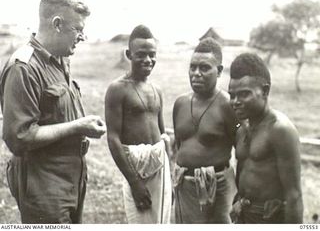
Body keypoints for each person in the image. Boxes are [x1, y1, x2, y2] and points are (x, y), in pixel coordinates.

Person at [0, 0, 106, 223]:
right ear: (57, 24)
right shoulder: (23, 68)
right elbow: (19, 137)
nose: (82, 37)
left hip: (71, 180)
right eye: (78, 29)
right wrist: (78, 126)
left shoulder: (60, 60)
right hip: (44, 187)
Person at [105, 25, 171, 223]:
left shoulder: (156, 90)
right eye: (141, 55)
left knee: (162, 220)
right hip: (136, 168)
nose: (148, 60)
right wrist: (135, 183)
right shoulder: (118, 89)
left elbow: (161, 134)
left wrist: (169, 171)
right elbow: (113, 138)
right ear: (128, 54)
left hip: (160, 163)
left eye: (152, 54)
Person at [228, 53, 303, 223]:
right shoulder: (242, 129)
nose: (235, 101)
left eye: (244, 94)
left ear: (265, 91)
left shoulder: (280, 130)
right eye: (232, 95)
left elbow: (294, 195)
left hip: (271, 218)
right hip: (244, 214)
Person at [172, 37, 237, 223]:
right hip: (185, 185)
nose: (196, 73)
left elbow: (240, 148)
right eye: (192, 67)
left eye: (204, 68)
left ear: (219, 71)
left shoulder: (228, 105)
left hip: (220, 186)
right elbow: (179, 144)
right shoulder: (181, 103)